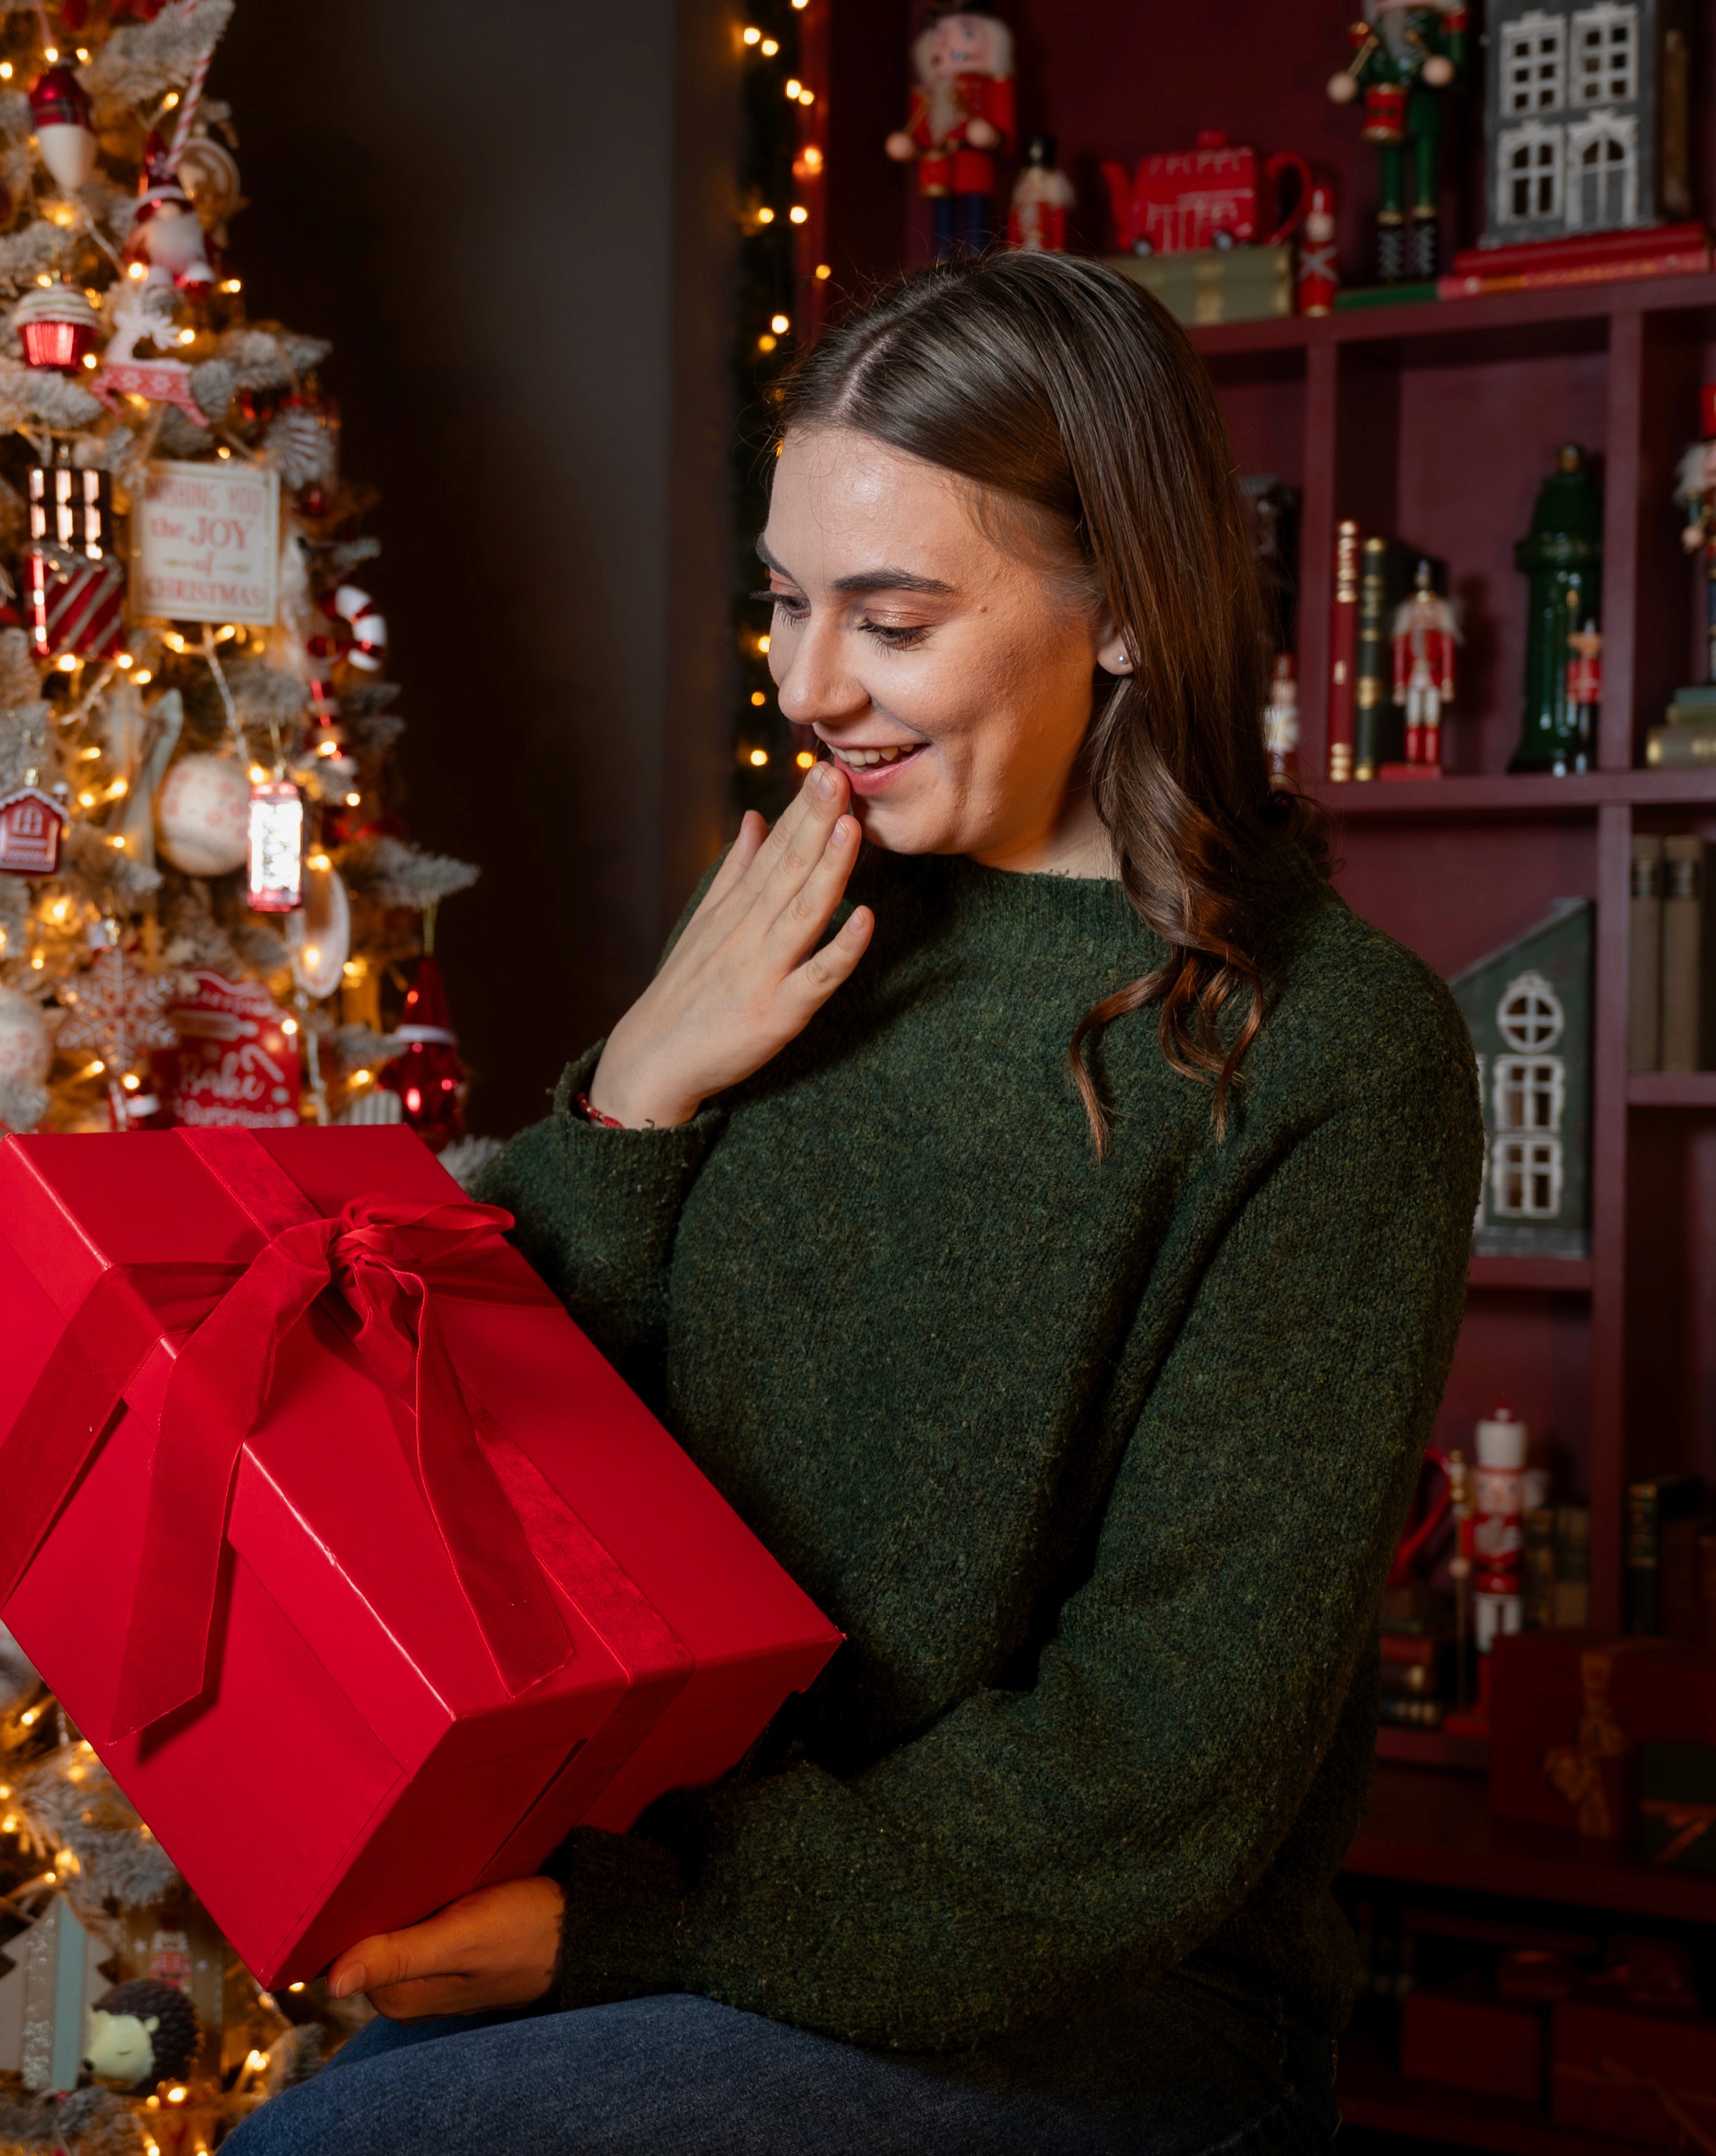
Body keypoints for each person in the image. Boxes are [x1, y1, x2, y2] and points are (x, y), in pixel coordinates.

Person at [224, 252, 1482, 2155]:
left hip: (1105, 1993)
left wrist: (630, 1923)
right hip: (701, 1921)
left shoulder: (1332, 1050)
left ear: (1127, 607)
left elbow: (1155, 1776)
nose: (810, 689)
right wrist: (637, 1091)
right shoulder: (800, 931)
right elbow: (518, 1470)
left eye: (888, 619)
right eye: (789, 606)